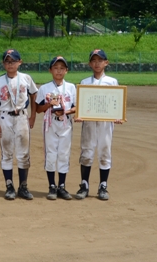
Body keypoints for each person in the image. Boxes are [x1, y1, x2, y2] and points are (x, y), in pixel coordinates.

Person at [75, 49, 123, 201]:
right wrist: (79, 114)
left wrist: (118, 116)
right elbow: (81, 103)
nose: (97, 63)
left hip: (105, 123)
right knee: (86, 152)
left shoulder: (112, 82)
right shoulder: (85, 82)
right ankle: (84, 185)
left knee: (104, 152)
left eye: (100, 60)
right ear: (90, 63)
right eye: (94, 60)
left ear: (106, 63)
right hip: (89, 122)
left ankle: (103, 186)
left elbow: (117, 102)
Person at [0, 49, 38, 200]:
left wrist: (32, 116)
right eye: (7, 61)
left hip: (22, 117)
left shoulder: (26, 78)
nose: (10, 64)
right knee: (6, 153)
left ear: (20, 62)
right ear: (3, 63)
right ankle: (9, 186)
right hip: (5, 117)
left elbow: (34, 95)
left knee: (23, 153)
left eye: (13, 61)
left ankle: (23, 186)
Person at [35, 56, 76, 201]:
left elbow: (76, 107)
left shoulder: (71, 87)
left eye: (62, 68)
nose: (59, 71)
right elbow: (38, 109)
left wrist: (65, 111)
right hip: (50, 123)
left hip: (65, 123)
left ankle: (62, 186)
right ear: (50, 70)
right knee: (51, 154)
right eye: (56, 68)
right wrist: (49, 105)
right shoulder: (44, 88)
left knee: (64, 154)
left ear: (66, 71)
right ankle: (52, 186)